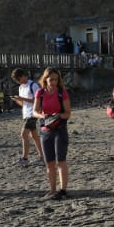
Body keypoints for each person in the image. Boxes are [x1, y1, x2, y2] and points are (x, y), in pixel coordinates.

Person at [33, 67, 72, 199]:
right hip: (46, 130)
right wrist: (43, 116)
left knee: (61, 160)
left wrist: (58, 115)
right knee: (49, 162)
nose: (54, 82)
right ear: (45, 79)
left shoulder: (62, 93)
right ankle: (52, 189)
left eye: (56, 79)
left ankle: (63, 190)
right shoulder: (40, 93)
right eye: (51, 80)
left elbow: (68, 113)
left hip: (59, 129)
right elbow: (35, 111)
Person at [9, 68, 44, 166]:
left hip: (33, 114)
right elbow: (23, 103)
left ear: (23, 76)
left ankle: (25, 158)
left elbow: (38, 101)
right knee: (34, 136)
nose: (19, 81)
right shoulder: (21, 87)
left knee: (23, 135)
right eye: (17, 80)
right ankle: (42, 156)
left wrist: (22, 98)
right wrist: (17, 100)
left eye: (19, 79)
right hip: (26, 114)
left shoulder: (33, 85)